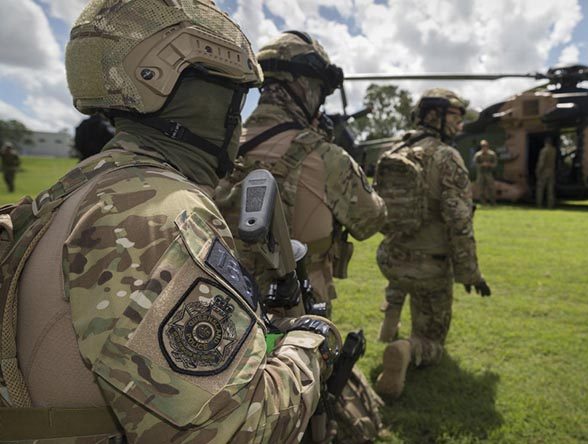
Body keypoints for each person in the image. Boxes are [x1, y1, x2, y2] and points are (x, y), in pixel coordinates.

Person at [0, 1, 340, 442]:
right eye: (233, 103)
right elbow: (238, 430)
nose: (239, 126)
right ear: (164, 85)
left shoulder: (76, 189)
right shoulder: (157, 216)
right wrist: (311, 341)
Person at [231, 31, 386, 316]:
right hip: (298, 316)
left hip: (226, 302)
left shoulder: (221, 147)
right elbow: (371, 219)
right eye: (320, 91)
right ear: (304, 87)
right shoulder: (326, 157)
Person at [373, 88, 491, 399]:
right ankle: (407, 348)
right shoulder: (447, 157)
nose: (460, 125)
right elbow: (459, 222)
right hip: (429, 268)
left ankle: (387, 327)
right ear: (436, 116)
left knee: (403, 275)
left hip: (389, 259)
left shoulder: (394, 151)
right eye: (456, 116)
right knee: (434, 342)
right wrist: (471, 274)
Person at [472, 139, 498, 205]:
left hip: (489, 173)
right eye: (483, 146)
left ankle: (493, 202)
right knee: (480, 189)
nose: (484, 147)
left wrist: (489, 165)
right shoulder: (478, 155)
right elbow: (474, 163)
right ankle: (483, 203)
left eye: (485, 145)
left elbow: (495, 164)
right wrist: (481, 165)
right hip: (480, 173)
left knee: (491, 188)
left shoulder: (492, 154)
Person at [536, 137, 557, 208]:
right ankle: (550, 205)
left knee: (540, 189)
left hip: (544, 172)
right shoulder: (554, 150)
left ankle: (539, 204)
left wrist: (538, 171)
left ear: (545, 142)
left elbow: (541, 162)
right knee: (550, 189)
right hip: (552, 171)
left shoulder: (544, 150)